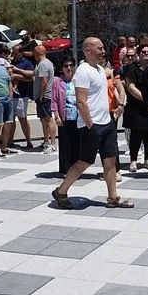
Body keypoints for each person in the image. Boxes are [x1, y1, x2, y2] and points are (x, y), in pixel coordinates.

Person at [52, 38, 132, 209]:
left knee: (110, 160)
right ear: (88, 51)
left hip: (107, 122)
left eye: (103, 48)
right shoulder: (83, 71)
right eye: (99, 48)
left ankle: (113, 197)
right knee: (85, 161)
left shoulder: (100, 69)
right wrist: (90, 125)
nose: (103, 51)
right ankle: (61, 191)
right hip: (91, 125)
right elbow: (81, 101)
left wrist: (117, 108)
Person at [124, 45, 148, 172]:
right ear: (138, 53)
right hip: (136, 105)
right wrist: (145, 99)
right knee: (136, 134)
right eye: (143, 52)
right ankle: (133, 161)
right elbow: (131, 87)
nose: (146, 54)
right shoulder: (132, 68)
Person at [52, 57, 79, 176]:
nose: (68, 68)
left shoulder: (78, 80)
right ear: (62, 68)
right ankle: (66, 169)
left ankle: (76, 169)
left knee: (77, 143)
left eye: (71, 65)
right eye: (66, 66)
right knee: (65, 143)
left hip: (77, 117)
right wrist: (56, 115)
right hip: (64, 117)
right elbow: (54, 100)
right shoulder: (57, 81)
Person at [33, 45, 57, 153]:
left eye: (34, 53)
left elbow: (44, 81)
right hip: (43, 96)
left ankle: (53, 143)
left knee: (48, 118)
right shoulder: (47, 63)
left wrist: (41, 95)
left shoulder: (43, 64)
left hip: (45, 96)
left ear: (38, 53)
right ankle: (46, 140)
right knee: (43, 119)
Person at [10, 45, 35, 150]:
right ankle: (9, 141)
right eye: (13, 53)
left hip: (22, 95)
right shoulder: (12, 63)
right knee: (10, 120)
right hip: (11, 95)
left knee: (22, 119)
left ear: (21, 53)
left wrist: (17, 76)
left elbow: (30, 78)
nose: (14, 55)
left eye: (16, 53)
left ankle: (28, 141)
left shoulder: (27, 63)